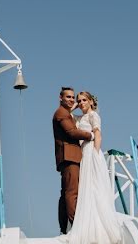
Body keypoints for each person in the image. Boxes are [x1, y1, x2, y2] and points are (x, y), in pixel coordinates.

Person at [65, 91, 123, 244]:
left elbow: (98, 134)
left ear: (91, 101)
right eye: (79, 100)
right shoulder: (79, 117)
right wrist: (75, 106)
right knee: (86, 187)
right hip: (83, 152)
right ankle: (88, 225)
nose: (81, 102)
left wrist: (96, 153)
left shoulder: (93, 116)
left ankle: (101, 227)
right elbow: (67, 114)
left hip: (91, 150)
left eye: (84, 100)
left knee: (95, 186)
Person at [53, 86, 94, 234]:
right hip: (69, 157)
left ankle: (64, 228)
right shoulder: (61, 113)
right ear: (60, 98)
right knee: (72, 193)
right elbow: (71, 132)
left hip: (68, 157)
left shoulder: (64, 113)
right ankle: (75, 226)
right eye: (68, 97)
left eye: (73, 98)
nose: (71, 100)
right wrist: (90, 136)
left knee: (65, 193)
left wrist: (73, 106)